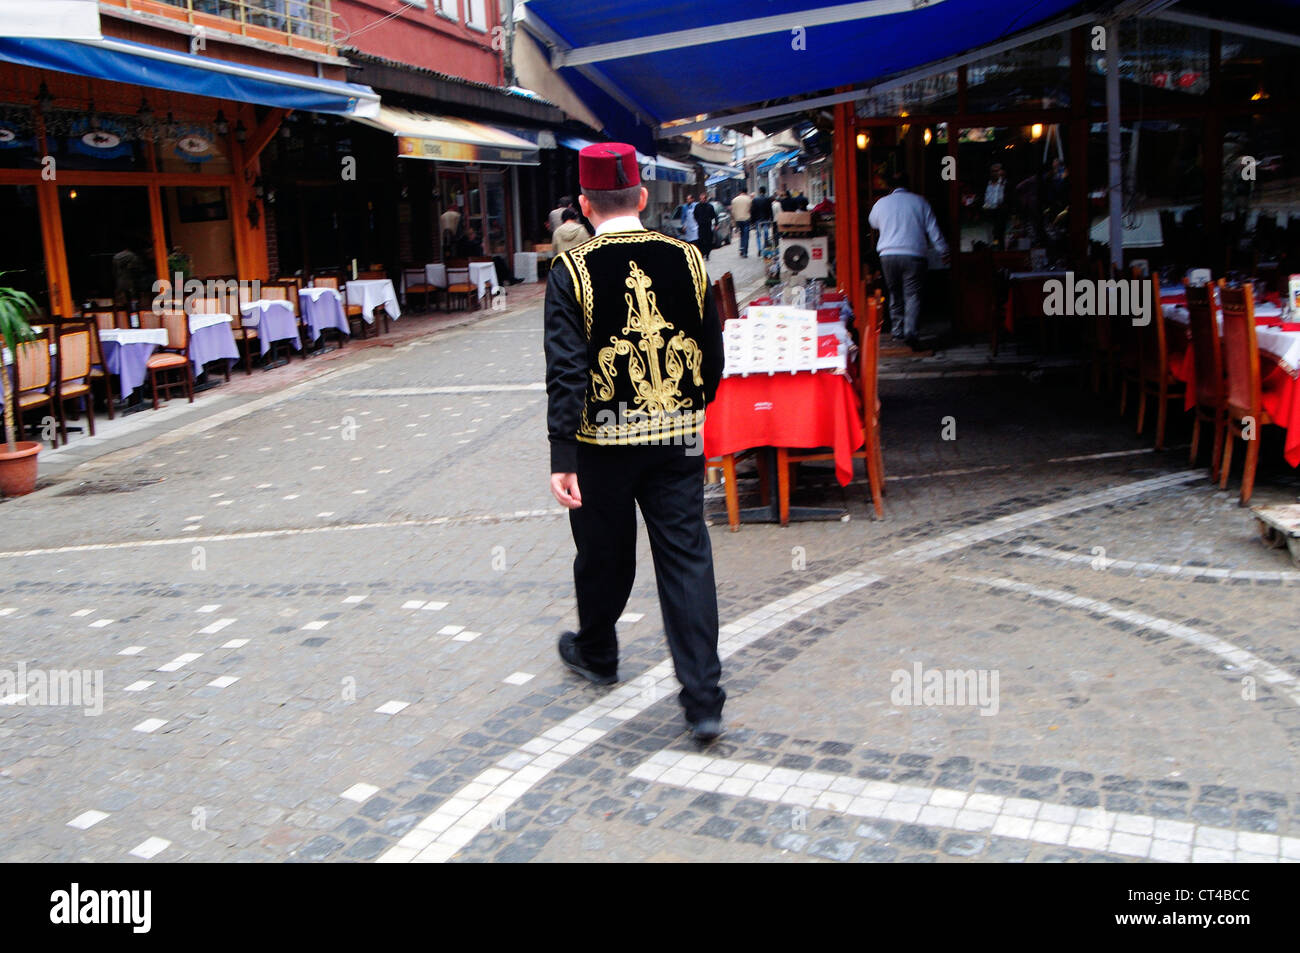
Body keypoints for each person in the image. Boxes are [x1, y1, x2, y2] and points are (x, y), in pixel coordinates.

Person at [544, 142, 727, 742]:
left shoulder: (571, 271)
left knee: (604, 554)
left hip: (603, 443)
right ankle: (702, 699)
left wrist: (562, 454)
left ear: (583, 204)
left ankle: (598, 651)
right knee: (686, 560)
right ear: (642, 197)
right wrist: (690, 409)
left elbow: (568, 372)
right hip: (677, 439)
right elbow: (712, 352)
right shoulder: (690, 259)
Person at [867, 171, 949, 350]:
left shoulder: (881, 203)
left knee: (894, 293)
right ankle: (910, 332)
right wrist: (944, 250)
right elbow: (933, 230)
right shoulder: (920, 202)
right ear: (908, 184)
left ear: (890, 187)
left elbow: (872, 223)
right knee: (912, 295)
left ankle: (897, 331)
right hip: (914, 254)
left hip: (888, 255)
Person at [983, 163, 1008, 249]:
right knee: (992, 233)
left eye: (997, 171)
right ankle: (993, 245)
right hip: (989, 211)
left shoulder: (1004, 183)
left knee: (999, 233)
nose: (995, 173)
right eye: (993, 171)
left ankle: (1000, 248)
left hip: (1000, 212)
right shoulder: (987, 184)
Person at [692, 190, 717, 261]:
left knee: (708, 240)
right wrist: (698, 221)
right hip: (700, 226)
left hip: (708, 225)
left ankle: (708, 254)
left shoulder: (710, 206)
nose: (702, 200)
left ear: (705, 199)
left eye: (703, 198)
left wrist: (715, 224)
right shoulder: (697, 206)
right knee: (701, 240)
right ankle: (702, 253)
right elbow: (695, 215)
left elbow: (714, 216)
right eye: (701, 198)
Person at [730, 188, 753, 258]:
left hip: (738, 220)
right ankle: (745, 252)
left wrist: (734, 221)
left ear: (740, 191)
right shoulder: (749, 200)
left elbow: (732, 212)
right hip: (746, 219)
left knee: (742, 234)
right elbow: (751, 210)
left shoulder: (734, 200)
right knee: (746, 236)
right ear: (746, 192)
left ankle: (741, 248)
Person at [751, 187, 773, 255]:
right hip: (766, 219)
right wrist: (771, 218)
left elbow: (753, 211)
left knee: (758, 235)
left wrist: (752, 220)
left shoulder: (755, 200)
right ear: (765, 191)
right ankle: (765, 246)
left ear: (759, 191)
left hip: (758, 220)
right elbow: (770, 210)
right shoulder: (768, 199)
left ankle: (759, 248)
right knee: (766, 233)